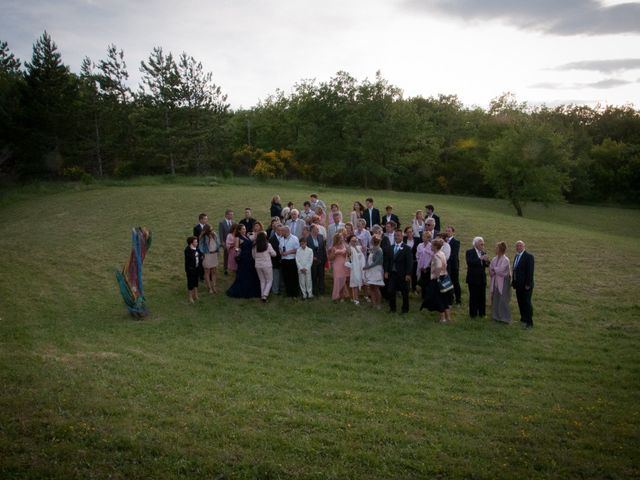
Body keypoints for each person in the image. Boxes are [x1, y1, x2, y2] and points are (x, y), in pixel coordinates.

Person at [421, 238, 452, 323]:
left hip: (438, 279)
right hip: (444, 277)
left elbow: (438, 267)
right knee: (445, 298)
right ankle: (448, 317)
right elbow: (445, 264)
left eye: (432, 245)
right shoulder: (441, 253)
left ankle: (442, 318)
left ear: (435, 246)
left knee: (439, 299)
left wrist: (437, 277)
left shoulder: (436, 255)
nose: (430, 246)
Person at [226, 224, 261, 298]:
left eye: (245, 228)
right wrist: (239, 251)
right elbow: (236, 248)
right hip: (244, 258)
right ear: (239, 230)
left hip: (250, 257)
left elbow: (250, 245)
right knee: (244, 274)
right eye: (243, 229)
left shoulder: (247, 236)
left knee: (251, 273)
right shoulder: (238, 238)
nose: (244, 230)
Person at [384, 229, 413, 314]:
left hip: (403, 274)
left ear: (402, 236)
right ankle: (392, 309)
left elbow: (409, 262)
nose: (396, 237)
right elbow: (387, 261)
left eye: (398, 235)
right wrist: (386, 271)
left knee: (404, 292)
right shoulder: (390, 247)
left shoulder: (407, 248)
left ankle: (405, 309)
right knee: (391, 291)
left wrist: (408, 274)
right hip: (392, 274)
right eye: (395, 235)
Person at [512, 240, 535, 329]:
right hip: (518, 285)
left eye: (520, 245)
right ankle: (523, 318)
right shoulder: (516, 256)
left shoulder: (529, 257)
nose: (518, 247)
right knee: (520, 302)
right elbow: (515, 270)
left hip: (526, 286)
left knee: (526, 303)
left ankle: (529, 322)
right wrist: (513, 282)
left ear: (524, 246)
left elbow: (530, 272)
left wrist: (528, 284)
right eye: (517, 246)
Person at [466, 236, 490, 318]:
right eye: (481, 244)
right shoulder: (469, 252)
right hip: (473, 278)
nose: (482, 246)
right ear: (475, 244)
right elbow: (470, 263)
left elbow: (486, 265)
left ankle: (482, 314)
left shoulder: (483, 252)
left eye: (483, 244)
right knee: (473, 296)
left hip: (482, 278)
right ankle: (473, 314)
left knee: (482, 296)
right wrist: (480, 259)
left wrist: (487, 261)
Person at [489, 241, 512, 324]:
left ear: (501, 249)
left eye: (497, 248)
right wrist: (493, 270)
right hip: (495, 281)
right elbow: (490, 268)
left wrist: (494, 269)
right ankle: (496, 317)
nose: (496, 249)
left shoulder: (506, 259)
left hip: (504, 282)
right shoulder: (494, 258)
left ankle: (505, 318)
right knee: (495, 299)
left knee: (503, 300)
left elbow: (501, 270)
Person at [252, 231, 277, 302]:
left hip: (258, 265)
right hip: (267, 265)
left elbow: (253, 256)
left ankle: (262, 295)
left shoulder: (254, 246)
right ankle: (265, 295)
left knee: (262, 281)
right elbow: (274, 254)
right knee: (269, 280)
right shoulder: (267, 245)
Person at [363, 235, 385, 308]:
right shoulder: (372, 249)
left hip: (376, 270)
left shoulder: (379, 250)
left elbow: (377, 262)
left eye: (372, 240)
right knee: (371, 287)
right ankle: (373, 303)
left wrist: (367, 267)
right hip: (371, 270)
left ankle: (378, 304)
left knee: (376, 287)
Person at [279, 226, 300, 297]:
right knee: (286, 277)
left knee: (293, 277)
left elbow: (297, 249)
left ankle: (294, 293)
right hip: (284, 260)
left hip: (291, 260)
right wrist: (281, 252)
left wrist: (288, 252)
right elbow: (280, 248)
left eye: (282, 231)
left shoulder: (294, 238)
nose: (281, 233)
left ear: (286, 231)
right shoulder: (281, 239)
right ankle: (288, 292)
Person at [198, 224, 219, 294]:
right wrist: (204, 252)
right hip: (207, 255)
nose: (212, 231)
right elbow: (200, 247)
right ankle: (209, 288)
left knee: (214, 271)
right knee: (207, 272)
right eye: (210, 230)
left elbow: (218, 243)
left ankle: (214, 286)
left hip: (214, 254)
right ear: (207, 230)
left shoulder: (214, 235)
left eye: (212, 229)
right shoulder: (203, 237)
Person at [328, 233, 349, 302]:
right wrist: (335, 254)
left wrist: (346, 253)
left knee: (343, 280)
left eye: (342, 237)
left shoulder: (344, 245)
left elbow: (348, 254)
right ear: (337, 239)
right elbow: (330, 258)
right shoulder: (333, 247)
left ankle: (342, 296)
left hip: (343, 264)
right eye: (340, 237)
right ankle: (336, 296)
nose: (342, 238)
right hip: (336, 264)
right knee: (337, 280)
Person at [307, 224, 326, 296]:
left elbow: (323, 249)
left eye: (318, 229)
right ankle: (315, 291)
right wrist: (312, 257)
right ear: (312, 230)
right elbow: (306, 251)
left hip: (321, 260)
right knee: (313, 276)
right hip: (312, 261)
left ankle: (321, 290)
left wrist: (324, 259)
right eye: (316, 229)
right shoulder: (307, 239)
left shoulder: (321, 237)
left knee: (321, 276)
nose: (318, 230)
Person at [346, 234, 365, 304]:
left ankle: (357, 298)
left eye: (355, 240)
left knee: (360, 282)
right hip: (354, 268)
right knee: (354, 284)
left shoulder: (359, 247)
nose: (354, 241)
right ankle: (355, 299)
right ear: (350, 241)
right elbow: (348, 256)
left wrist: (359, 242)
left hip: (360, 268)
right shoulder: (349, 248)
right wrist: (350, 246)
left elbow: (364, 249)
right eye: (353, 240)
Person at [445, 226, 462, 305]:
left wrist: (445, 259)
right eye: (446, 231)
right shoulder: (444, 241)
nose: (447, 232)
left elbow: (454, 255)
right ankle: (450, 299)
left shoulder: (456, 242)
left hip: (453, 266)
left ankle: (458, 299)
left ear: (453, 232)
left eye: (449, 231)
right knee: (448, 283)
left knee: (455, 282)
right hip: (446, 266)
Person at [416, 230, 433, 302]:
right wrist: (420, 265)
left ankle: (428, 297)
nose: (423, 238)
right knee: (422, 282)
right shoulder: (420, 245)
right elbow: (417, 255)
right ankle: (423, 297)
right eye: (423, 236)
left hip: (428, 267)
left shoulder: (431, 246)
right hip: (421, 266)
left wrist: (427, 266)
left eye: (425, 237)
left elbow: (432, 257)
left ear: (429, 238)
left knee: (428, 282)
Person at [184, 236, 200, 303]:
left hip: (196, 268)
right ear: (191, 243)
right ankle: (190, 297)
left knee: (196, 282)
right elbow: (190, 259)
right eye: (195, 242)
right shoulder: (188, 250)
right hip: (190, 269)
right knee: (191, 282)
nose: (197, 243)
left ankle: (195, 295)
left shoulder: (196, 248)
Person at [403, 226, 419, 294]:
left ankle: (414, 288)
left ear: (413, 232)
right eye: (408, 232)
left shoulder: (417, 240)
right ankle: (406, 288)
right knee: (406, 274)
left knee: (414, 275)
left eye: (411, 232)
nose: (409, 233)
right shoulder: (404, 240)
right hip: (405, 261)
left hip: (414, 260)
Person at [218, 209, 234, 275]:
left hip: (232, 243)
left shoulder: (233, 222)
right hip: (225, 243)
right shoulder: (222, 223)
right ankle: (225, 268)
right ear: (226, 215)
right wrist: (222, 242)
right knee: (226, 255)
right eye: (230, 214)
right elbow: (221, 233)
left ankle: (231, 267)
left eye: (232, 214)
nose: (231, 216)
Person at [269, 224, 283, 295]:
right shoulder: (271, 239)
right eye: (278, 230)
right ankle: (275, 291)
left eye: (281, 230)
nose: (280, 231)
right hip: (275, 260)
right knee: (275, 277)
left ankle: (281, 289)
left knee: (282, 276)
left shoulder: (284, 237)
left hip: (283, 260)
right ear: (275, 230)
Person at [193, 213, 208, 281]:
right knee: (201, 261)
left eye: (206, 219)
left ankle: (208, 275)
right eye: (205, 219)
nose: (206, 220)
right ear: (201, 219)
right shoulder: (196, 228)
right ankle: (201, 275)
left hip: (207, 247)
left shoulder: (207, 226)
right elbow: (196, 238)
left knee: (207, 261)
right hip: (200, 247)